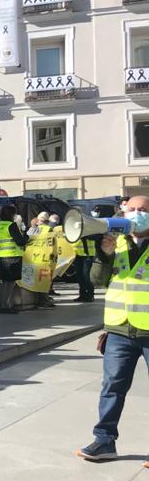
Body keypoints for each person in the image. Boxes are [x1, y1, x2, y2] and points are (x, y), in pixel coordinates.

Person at [77, 194, 149, 467]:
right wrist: (104, 255)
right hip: (119, 329)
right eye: (131, 209)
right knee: (111, 388)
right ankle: (104, 441)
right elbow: (96, 280)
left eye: (142, 210)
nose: (135, 214)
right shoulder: (114, 242)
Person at [0, 203, 28, 314]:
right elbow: (20, 241)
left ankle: (7, 304)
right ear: (12, 214)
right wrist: (27, 236)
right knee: (10, 284)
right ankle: (5, 306)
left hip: (2, 257)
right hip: (13, 257)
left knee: (5, 283)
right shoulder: (11, 226)